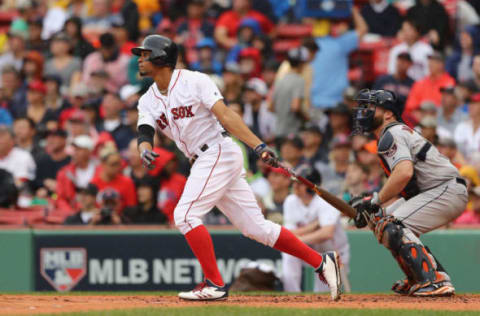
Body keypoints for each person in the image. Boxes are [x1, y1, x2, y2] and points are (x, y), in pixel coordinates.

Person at [132, 34, 341, 301]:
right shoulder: (147, 98)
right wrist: (144, 150)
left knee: (184, 215)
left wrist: (258, 145)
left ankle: (214, 284)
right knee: (257, 228)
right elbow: (144, 132)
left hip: (217, 150)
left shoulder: (195, 81)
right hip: (203, 159)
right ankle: (322, 263)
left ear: (161, 58)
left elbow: (227, 115)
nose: (140, 59)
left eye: (145, 54)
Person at [351, 89, 467, 296]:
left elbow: (404, 173)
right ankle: (419, 277)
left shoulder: (391, 133)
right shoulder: (394, 132)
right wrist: (371, 204)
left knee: (393, 225)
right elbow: (405, 183)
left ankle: (434, 280)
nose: (364, 112)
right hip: (437, 190)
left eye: (370, 107)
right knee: (381, 220)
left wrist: (375, 200)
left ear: (388, 113)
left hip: (445, 189)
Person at [283, 165, 350, 293]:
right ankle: (292, 297)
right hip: (308, 249)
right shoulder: (290, 201)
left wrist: (297, 240)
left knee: (324, 295)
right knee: (288, 253)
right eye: (295, 183)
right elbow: (289, 233)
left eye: (299, 183)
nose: (295, 186)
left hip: (332, 252)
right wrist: (312, 227)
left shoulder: (325, 201)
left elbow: (327, 233)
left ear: (311, 186)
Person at [272, 47, 308, 138]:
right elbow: (295, 107)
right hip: (291, 132)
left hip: (278, 131)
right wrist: (306, 118)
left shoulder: (279, 80)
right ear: (301, 64)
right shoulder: (299, 80)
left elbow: (270, 107)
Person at [454, 93, 480, 160]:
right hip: (464, 167)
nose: (470, 106)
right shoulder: (462, 126)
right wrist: (467, 167)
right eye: (470, 103)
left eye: (474, 103)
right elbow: (456, 151)